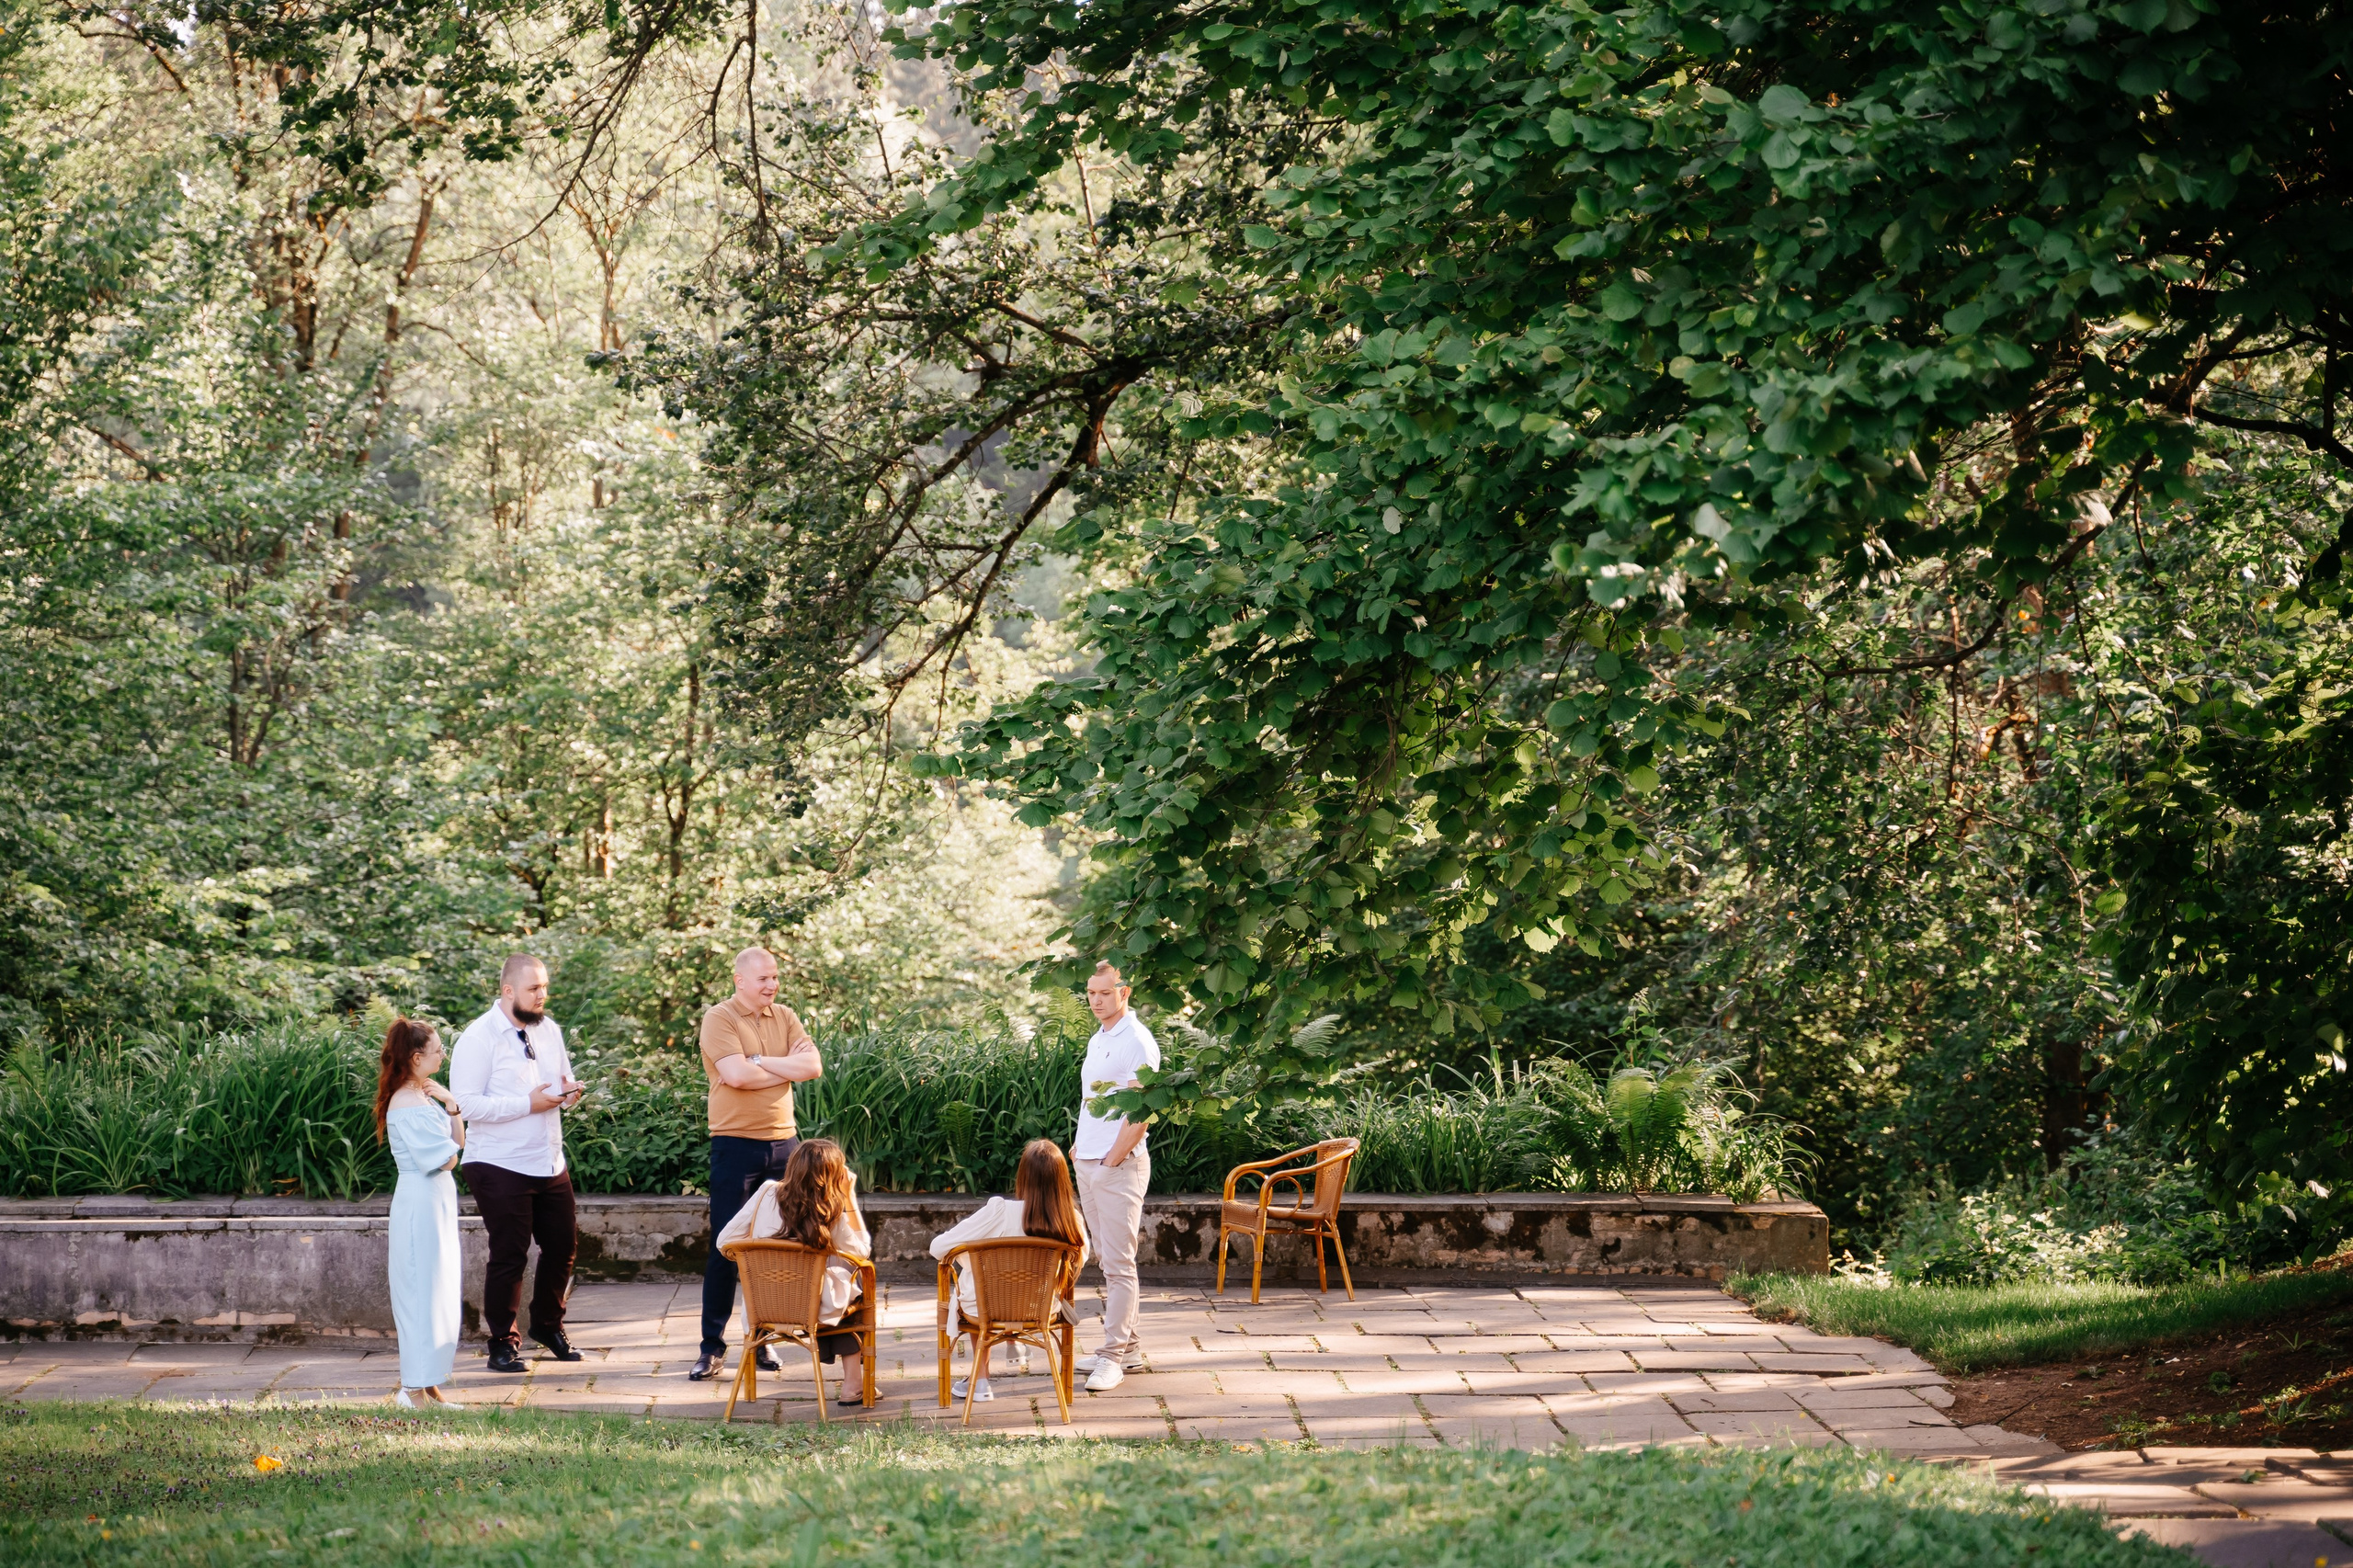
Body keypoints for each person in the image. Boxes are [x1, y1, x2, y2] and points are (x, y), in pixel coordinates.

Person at [691, 945, 824, 1382]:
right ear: (740, 981)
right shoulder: (719, 1018)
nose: (772, 984)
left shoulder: (784, 1016)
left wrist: (762, 1061)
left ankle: (764, 1339)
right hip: (735, 1146)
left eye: (775, 977)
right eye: (764, 978)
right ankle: (711, 1347)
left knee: (778, 1245)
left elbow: (813, 1066)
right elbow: (736, 1076)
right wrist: (785, 1067)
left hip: (785, 1146)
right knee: (726, 1247)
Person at [451, 953, 585, 1374]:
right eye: (534, 988)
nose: (542, 995)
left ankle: (548, 1326)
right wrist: (528, 1104)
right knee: (509, 1254)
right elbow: (466, 1104)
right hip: (498, 1162)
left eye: (544, 986)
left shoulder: (550, 1031)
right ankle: (502, 1345)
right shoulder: (479, 1037)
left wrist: (570, 1091)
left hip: (548, 1159)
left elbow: (560, 1079)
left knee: (563, 1247)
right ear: (508, 990)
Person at [927, 1138, 1091, 1403]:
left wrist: (974, 1260)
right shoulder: (1071, 1218)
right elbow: (1078, 1262)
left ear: (1022, 1176)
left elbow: (939, 1247)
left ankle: (980, 1381)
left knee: (977, 1285)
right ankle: (1015, 1344)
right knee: (1002, 1290)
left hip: (986, 1308)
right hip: (1041, 1309)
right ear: (1062, 1179)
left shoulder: (999, 1212)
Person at [714, 1137, 870, 1406]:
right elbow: (862, 1253)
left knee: (838, 1284)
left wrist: (753, 1255)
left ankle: (852, 1385)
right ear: (834, 1176)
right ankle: (853, 1385)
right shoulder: (830, 1210)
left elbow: (724, 1241)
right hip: (809, 1310)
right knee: (855, 1291)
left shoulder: (765, 1194)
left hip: (761, 1307)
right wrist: (849, 1198)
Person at [1071, 960, 1160, 1392]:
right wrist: (1079, 1147)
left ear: (1124, 992)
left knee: (1120, 1264)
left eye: (1104, 993)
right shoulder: (1100, 1036)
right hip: (1088, 1161)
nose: (1096, 1000)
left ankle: (1112, 1358)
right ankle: (1131, 1348)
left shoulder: (1138, 1042)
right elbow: (1093, 1100)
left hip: (1117, 1165)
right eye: (1091, 993)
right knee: (1105, 1258)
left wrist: (1109, 1162)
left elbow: (1140, 1112)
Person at [376, 1016, 465, 1408]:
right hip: (420, 1201)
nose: (442, 1054)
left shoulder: (424, 1097)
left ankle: (428, 1386)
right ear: (415, 1058)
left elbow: (455, 1145)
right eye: (437, 1050)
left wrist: (451, 1103)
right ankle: (412, 1389)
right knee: (420, 1292)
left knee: (437, 1289)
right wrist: (448, 1114)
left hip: (435, 1201)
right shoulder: (408, 1103)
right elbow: (447, 1159)